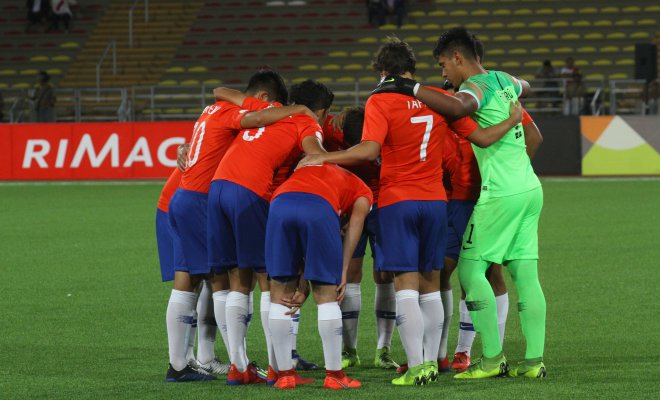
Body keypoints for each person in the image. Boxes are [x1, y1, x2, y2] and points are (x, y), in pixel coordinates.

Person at [298, 37, 522, 385]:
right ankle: (433, 362)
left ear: (383, 70)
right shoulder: (439, 100)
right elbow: (479, 136)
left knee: (406, 285)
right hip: (435, 201)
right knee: (432, 284)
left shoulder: (381, 100)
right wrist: (511, 121)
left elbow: (370, 149)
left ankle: (417, 366)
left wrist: (324, 156)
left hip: (398, 201)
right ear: (411, 69)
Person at [374, 27, 546, 379]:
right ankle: (532, 362)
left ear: (457, 58)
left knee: (469, 271)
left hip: (499, 193)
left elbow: (460, 106)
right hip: (530, 188)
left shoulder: (472, 89)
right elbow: (526, 85)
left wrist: (408, 86)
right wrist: (514, 92)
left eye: (442, 65)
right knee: (525, 274)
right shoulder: (502, 80)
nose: (442, 73)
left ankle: (492, 358)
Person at [165, 71, 311, 383]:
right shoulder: (238, 115)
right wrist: (296, 110)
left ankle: (211, 361)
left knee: (200, 278)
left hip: (183, 197)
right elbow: (255, 118)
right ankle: (206, 364)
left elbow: (220, 91)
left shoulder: (214, 110)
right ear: (262, 100)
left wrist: (185, 146)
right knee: (224, 280)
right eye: (270, 108)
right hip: (202, 199)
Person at [208, 79, 331, 386]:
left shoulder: (268, 109)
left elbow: (222, 91)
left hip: (218, 187)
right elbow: (314, 155)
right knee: (270, 281)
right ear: (319, 112)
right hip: (249, 191)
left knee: (238, 278)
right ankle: (280, 369)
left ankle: (239, 367)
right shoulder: (306, 120)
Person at [266, 163, 371, 390]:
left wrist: (302, 284)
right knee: (326, 295)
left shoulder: (318, 171)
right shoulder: (364, 192)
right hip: (319, 207)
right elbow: (355, 228)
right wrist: (342, 270)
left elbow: (306, 248)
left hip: (280, 203)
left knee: (279, 292)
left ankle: (284, 375)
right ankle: (334, 375)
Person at [323, 108, 399, 370]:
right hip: (349, 206)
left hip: (382, 205)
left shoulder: (386, 134)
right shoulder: (332, 133)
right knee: (351, 273)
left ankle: (384, 349)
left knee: (386, 275)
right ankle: (350, 350)